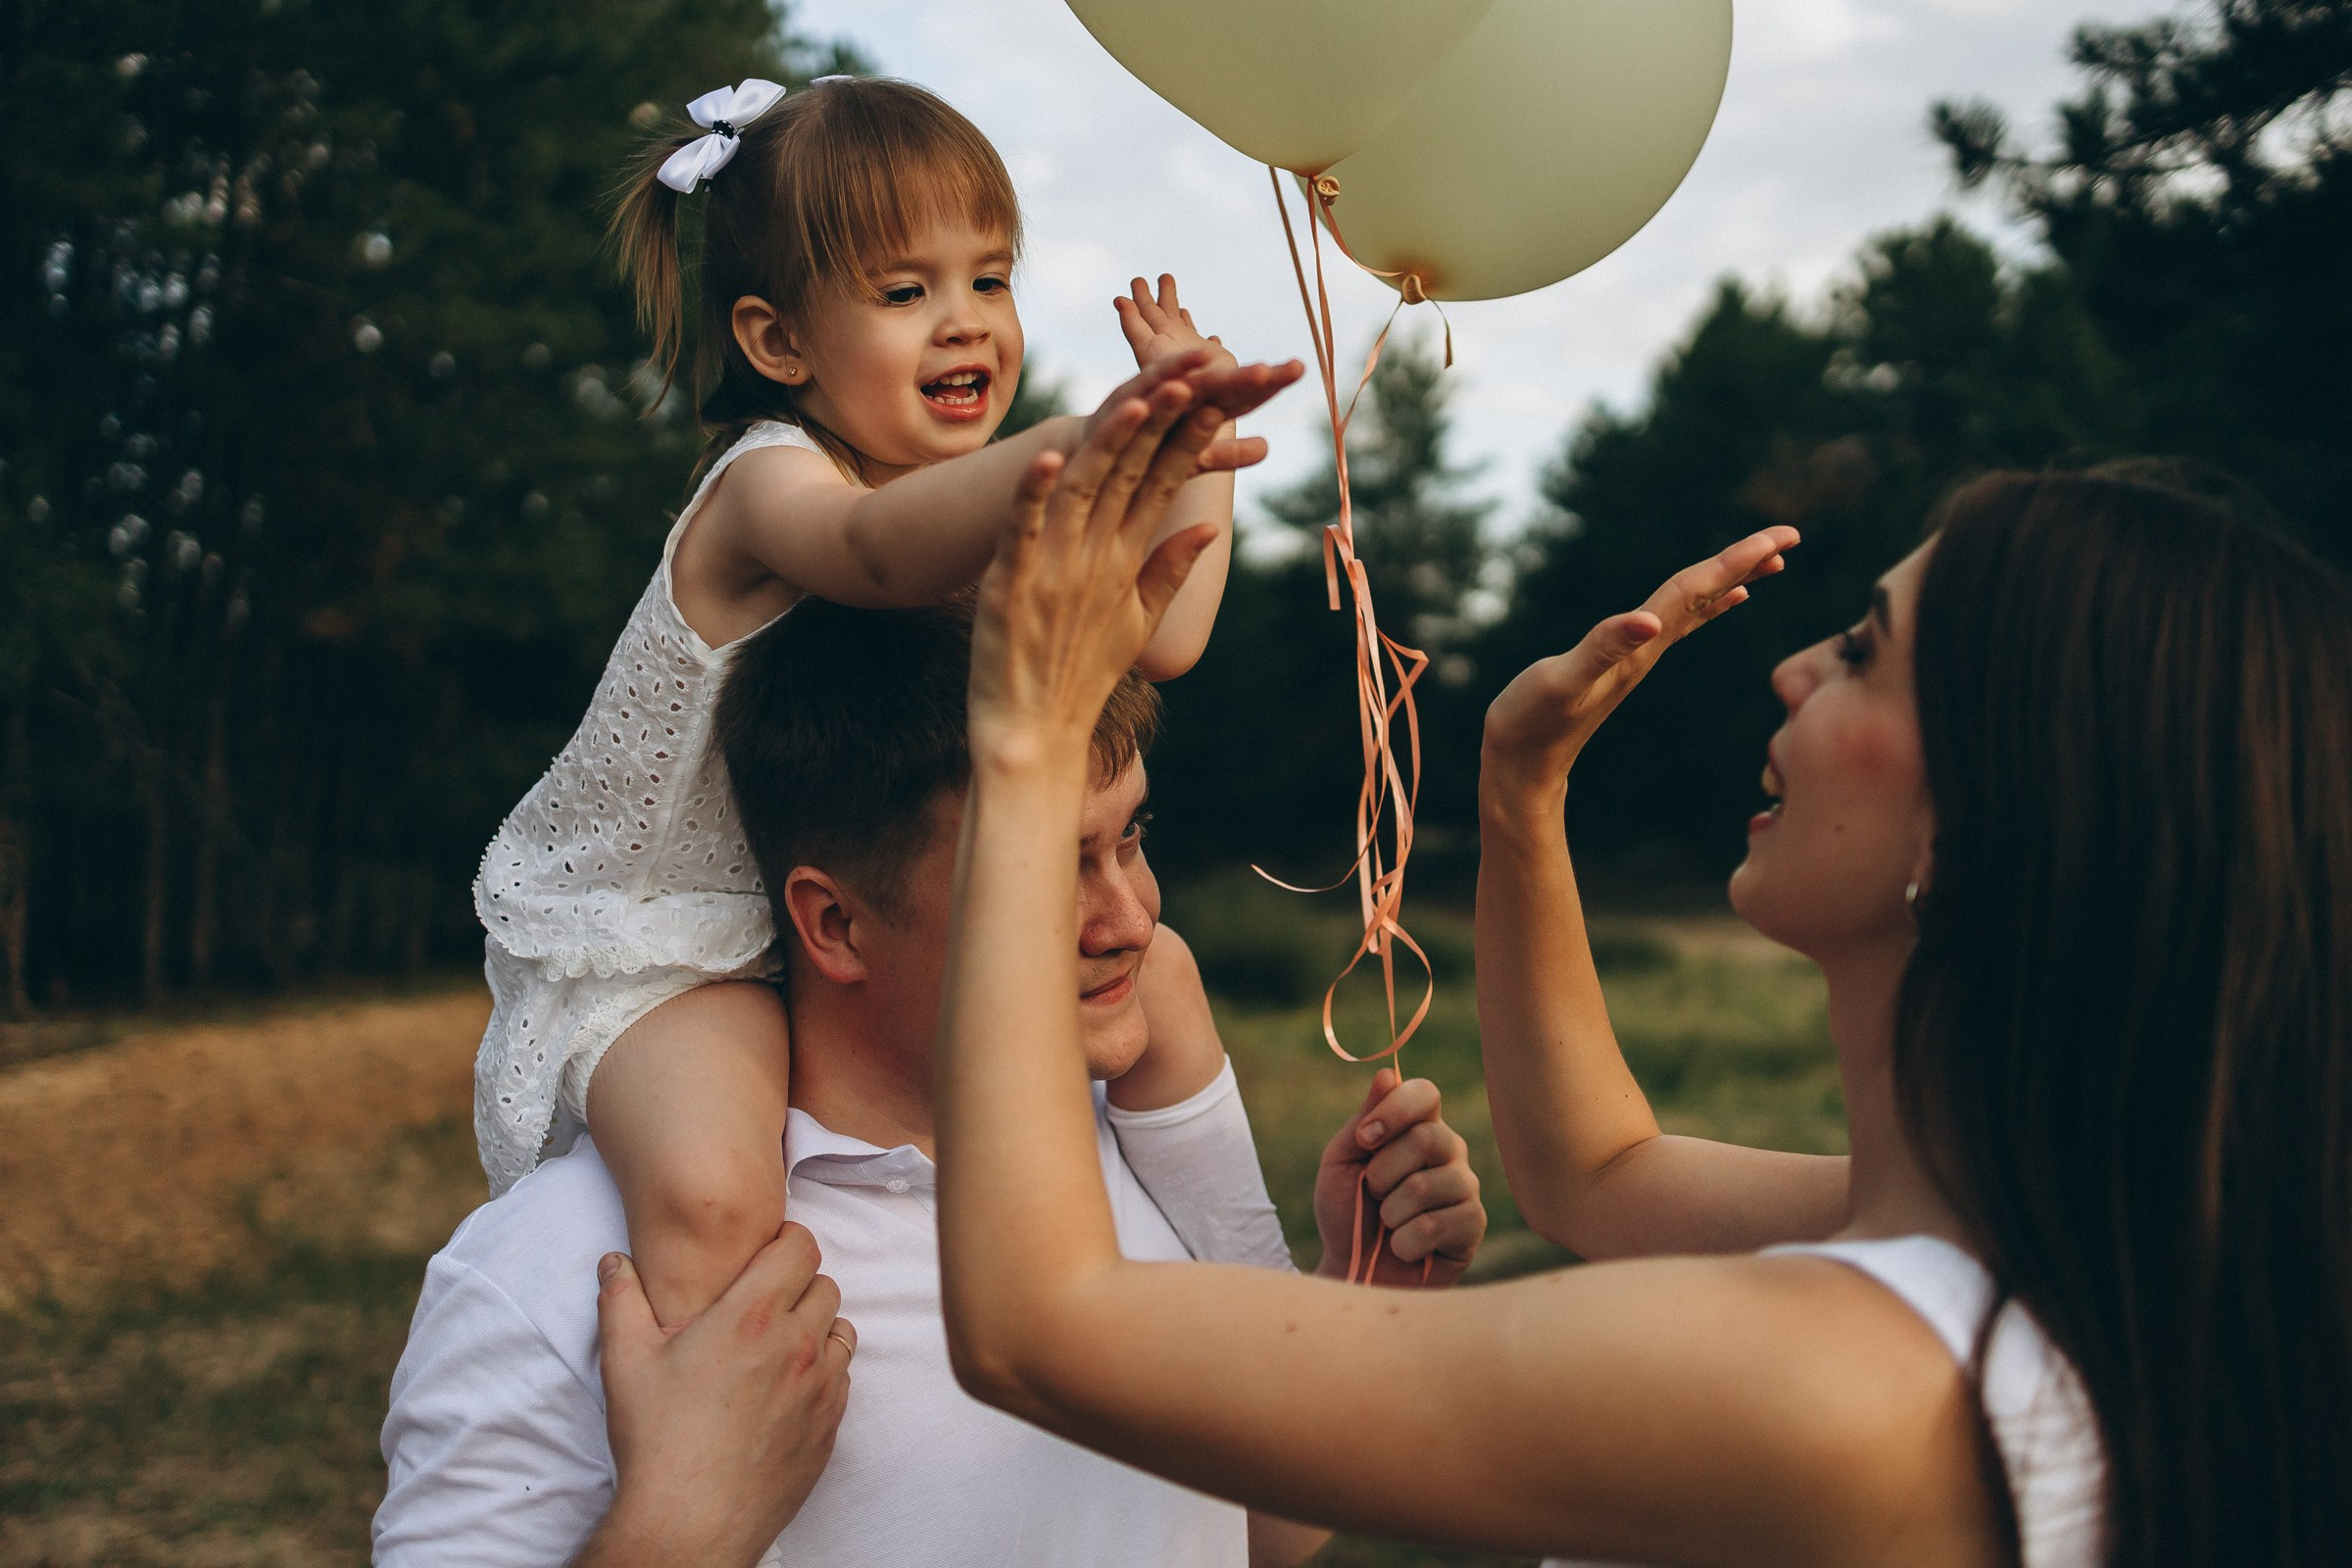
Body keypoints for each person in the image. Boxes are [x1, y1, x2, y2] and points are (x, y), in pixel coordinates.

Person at [927, 455, 2352, 1566]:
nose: (1792, 669)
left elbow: (1041, 1326)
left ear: (1980, 817)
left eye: (1863, 652)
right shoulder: (2076, 1239)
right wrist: (1519, 784)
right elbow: (1597, 1177)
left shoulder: (1838, 1384)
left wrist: (1032, 746)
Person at [377, 390, 1490, 1566]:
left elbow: (1237, 1531)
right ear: (835, 923)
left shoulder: (1140, 1143)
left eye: (1132, 837)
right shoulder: (570, 1276)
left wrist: (1369, 1297)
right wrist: (678, 1530)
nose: (1132, 920)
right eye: (1049, 868)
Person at [466, 70, 1303, 1331]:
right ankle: (709, 1409)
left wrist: (1203, 455)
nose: (965, 323)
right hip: (656, 947)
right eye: (906, 293)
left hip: (829, 915)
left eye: (991, 279)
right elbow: (872, 552)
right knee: (710, 1185)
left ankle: (1259, 1294)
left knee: (1169, 976)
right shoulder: (769, 488)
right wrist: (1078, 444)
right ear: (778, 343)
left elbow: (1164, 636)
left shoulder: (955, 508)